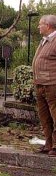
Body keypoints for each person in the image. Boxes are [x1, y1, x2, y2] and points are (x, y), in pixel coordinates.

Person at [32, 14, 56, 156]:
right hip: (40, 84)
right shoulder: (44, 41)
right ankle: (48, 144)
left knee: (55, 114)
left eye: (40, 24)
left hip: (52, 84)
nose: (38, 27)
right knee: (44, 116)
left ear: (48, 26)